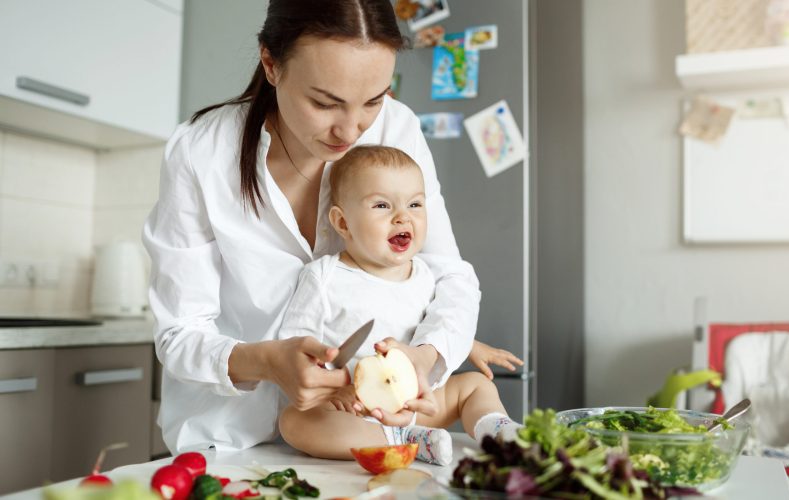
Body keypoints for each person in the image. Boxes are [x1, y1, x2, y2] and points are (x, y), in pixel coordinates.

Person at [143, 0, 485, 454]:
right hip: (227, 441)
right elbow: (179, 333)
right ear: (271, 63)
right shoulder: (201, 150)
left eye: (374, 101)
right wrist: (265, 361)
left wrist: (426, 357)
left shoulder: (396, 128)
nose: (351, 130)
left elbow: (449, 276)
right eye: (325, 102)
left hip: (366, 433)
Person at [278, 145, 523, 465]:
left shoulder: (426, 274)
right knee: (294, 422)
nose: (402, 216)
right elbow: (297, 345)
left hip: (420, 404)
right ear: (342, 222)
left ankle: (500, 432)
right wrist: (331, 390)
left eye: (415, 204)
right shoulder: (324, 277)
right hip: (358, 410)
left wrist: (469, 345)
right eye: (382, 205)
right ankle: (405, 441)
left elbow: (429, 322)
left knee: (475, 385)